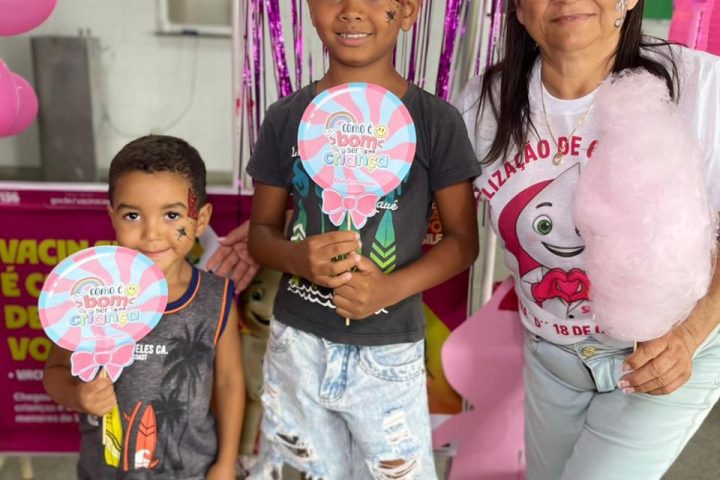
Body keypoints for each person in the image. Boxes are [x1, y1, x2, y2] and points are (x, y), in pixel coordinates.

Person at [455, 1, 720, 479]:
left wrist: (688, 335)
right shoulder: (481, 105)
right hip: (551, 356)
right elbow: (440, 223)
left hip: (663, 352)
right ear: (518, 10)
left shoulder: (700, 86)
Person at [245, 0, 481, 478]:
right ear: (311, 9)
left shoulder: (435, 121)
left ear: (407, 12)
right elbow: (260, 236)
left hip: (388, 353)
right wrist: (297, 258)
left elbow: (463, 242)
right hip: (297, 346)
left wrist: (390, 288)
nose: (352, 11)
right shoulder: (286, 116)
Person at [43, 135, 245, 480]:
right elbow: (55, 372)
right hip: (104, 473)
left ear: (200, 219)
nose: (152, 233)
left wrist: (226, 463)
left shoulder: (217, 297)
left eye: (172, 215)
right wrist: (79, 397)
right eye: (133, 215)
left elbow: (229, 382)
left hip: (192, 471)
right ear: (112, 216)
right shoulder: (87, 293)